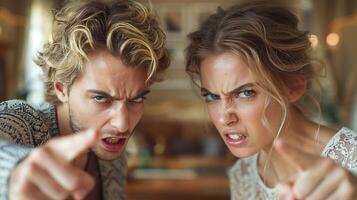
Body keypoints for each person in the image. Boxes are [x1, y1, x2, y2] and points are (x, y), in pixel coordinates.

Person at [185, 1, 357, 200]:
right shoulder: (243, 174)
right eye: (212, 96)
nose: (224, 118)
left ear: (294, 87)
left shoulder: (352, 159)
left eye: (245, 93)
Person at [0, 0, 170, 199]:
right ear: (61, 88)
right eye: (101, 98)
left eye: (136, 100)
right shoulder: (21, 119)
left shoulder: (112, 154)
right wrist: (15, 174)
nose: (122, 125)